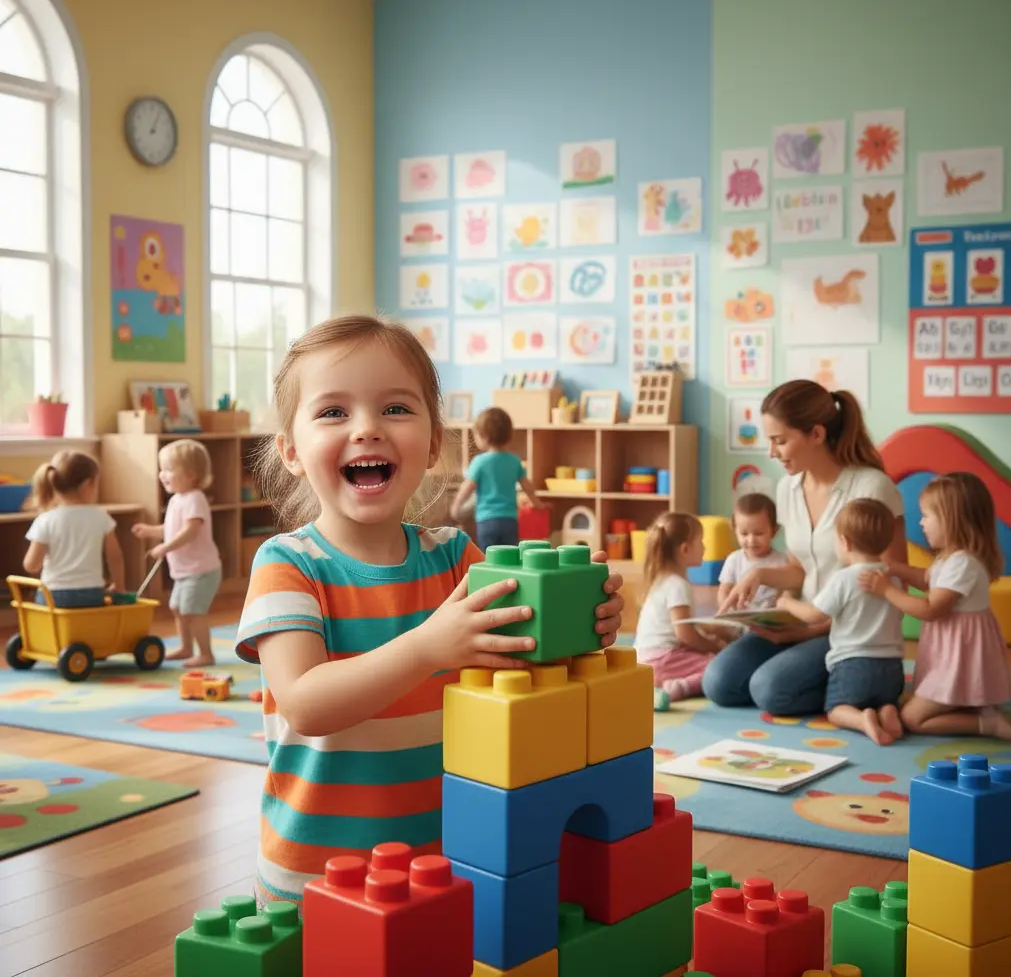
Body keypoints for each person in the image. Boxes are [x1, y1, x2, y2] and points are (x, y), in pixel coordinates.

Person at [233, 315, 625, 911]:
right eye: (333, 412)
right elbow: (306, 704)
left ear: (436, 443)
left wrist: (579, 617)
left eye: (395, 408)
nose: (367, 429)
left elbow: (523, 653)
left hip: (447, 862)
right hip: (319, 880)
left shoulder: (455, 558)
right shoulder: (287, 565)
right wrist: (427, 647)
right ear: (290, 450)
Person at [704, 380, 906, 717]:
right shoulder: (788, 488)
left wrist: (810, 629)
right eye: (770, 441)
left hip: (849, 632)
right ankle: (838, 686)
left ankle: (860, 689)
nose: (772, 452)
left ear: (816, 434)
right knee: (719, 682)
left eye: (780, 441)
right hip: (801, 620)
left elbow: (894, 584)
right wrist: (759, 575)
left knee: (769, 689)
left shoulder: (872, 488)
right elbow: (800, 570)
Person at [860, 472, 1011, 741]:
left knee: (912, 718)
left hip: (959, 654)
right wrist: (894, 567)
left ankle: (986, 724)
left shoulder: (963, 563)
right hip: (953, 649)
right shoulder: (950, 558)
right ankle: (973, 706)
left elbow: (931, 610)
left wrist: (887, 590)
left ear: (952, 519)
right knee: (911, 702)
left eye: (926, 515)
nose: (921, 522)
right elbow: (927, 579)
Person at [776, 499, 905, 745]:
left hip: (853, 665)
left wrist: (787, 603)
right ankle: (887, 709)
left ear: (845, 542)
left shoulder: (844, 578)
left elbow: (815, 615)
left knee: (835, 710)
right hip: (892, 667)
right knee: (883, 698)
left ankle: (862, 720)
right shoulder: (892, 580)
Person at [132, 440, 222, 666]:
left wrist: (165, 547)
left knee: (192, 612)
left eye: (168, 470)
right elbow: (173, 528)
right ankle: (186, 647)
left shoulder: (195, 499)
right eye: (161, 469)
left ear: (191, 475)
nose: (162, 475)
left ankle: (206, 653)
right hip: (184, 571)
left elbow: (191, 531)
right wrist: (150, 531)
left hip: (201, 570)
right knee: (177, 608)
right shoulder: (176, 500)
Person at [635, 512, 729, 708]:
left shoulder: (662, 580)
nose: (704, 547)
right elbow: (685, 634)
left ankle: (663, 684)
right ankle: (681, 686)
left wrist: (710, 630)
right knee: (719, 666)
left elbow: (682, 626)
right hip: (661, 660)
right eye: (701, 542)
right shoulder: (677, 585)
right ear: (685, 549)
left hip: (643, 660)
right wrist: (713, 646)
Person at [23, 451, 124, 607]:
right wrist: (119, 586)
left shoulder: (45, 520)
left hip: (53, 594)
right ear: (87, 485)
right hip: (91, 593)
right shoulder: (101, 517)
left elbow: (31, 565)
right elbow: (115, 557)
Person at [450, 406, 545, 550]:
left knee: (490, 557)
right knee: (509, 557)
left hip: (486, 521)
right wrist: (537, 504)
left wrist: (456, 507)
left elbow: (467, 488)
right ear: (510, 434)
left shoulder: (479, 462)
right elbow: (528, 487)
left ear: (483, 437)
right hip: (509, 521)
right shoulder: (514, 461)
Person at [717, 493, 789, 611]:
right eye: (744, 534)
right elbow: (724, 590)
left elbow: (787, 593)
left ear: (774, 531)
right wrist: (728, 610)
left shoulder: (782, 561)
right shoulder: (733, 560)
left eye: (759, 533)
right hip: (739, 615)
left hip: (770, 617)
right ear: (734, 530)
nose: (751, 540)